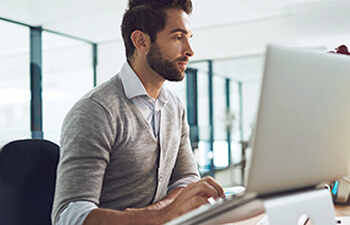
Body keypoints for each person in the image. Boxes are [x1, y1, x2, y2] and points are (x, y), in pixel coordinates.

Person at [51, 0, 225, 225]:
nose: (190, 51)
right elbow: (69, 216)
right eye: (177, 37)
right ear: (141, 41)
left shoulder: (174, 106)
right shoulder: (95, 111)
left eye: (188, 38)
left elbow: (186, 178)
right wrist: (164, 214)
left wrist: (165, 212)